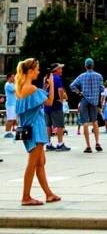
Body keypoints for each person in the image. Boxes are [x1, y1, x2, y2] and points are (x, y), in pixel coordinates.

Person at [15, 58, 60, 206]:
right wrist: (52, 85)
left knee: (40, 162)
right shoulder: (31, 89)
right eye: (37, 69)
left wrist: (45, 87)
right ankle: (26, 197)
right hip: (35, 128)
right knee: (33, 163)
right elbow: (49, 101)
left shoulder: (21, 88)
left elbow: (34, 104)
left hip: (30, 128)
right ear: (31, 71)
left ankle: (49, 194)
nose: (39, 72)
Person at [69, 57, 104, 153]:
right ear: (93, 65)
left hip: (85, 100)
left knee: (85, 122)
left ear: (85, 66)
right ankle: (97, 143)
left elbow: (72, 85)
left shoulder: (82, 76)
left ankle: (88, 146)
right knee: (95, 122)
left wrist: (78, 92)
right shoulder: (99, 76)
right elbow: (102, 89)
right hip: (94, 102)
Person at [44, 63, 69, 152]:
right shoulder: (57, 78)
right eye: (60, 68)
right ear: (56, 70)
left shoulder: (47, 77)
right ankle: (60, 143)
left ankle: (48, 144)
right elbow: (60, 90)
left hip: (47, 105)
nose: (61, 70)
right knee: (59, 125)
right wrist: (61, 100)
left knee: (48, 125)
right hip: (56, 106)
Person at [4, 72, 17, 138]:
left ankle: (9, 132)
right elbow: (15, 90)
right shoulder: (8, 84)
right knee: (10, 119)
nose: (14, 78)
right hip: (10, 104)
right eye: (12, 77)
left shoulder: (11, 84)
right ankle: (7, 133)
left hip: (13, 104)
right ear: (9, 78)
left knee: (12, 119)